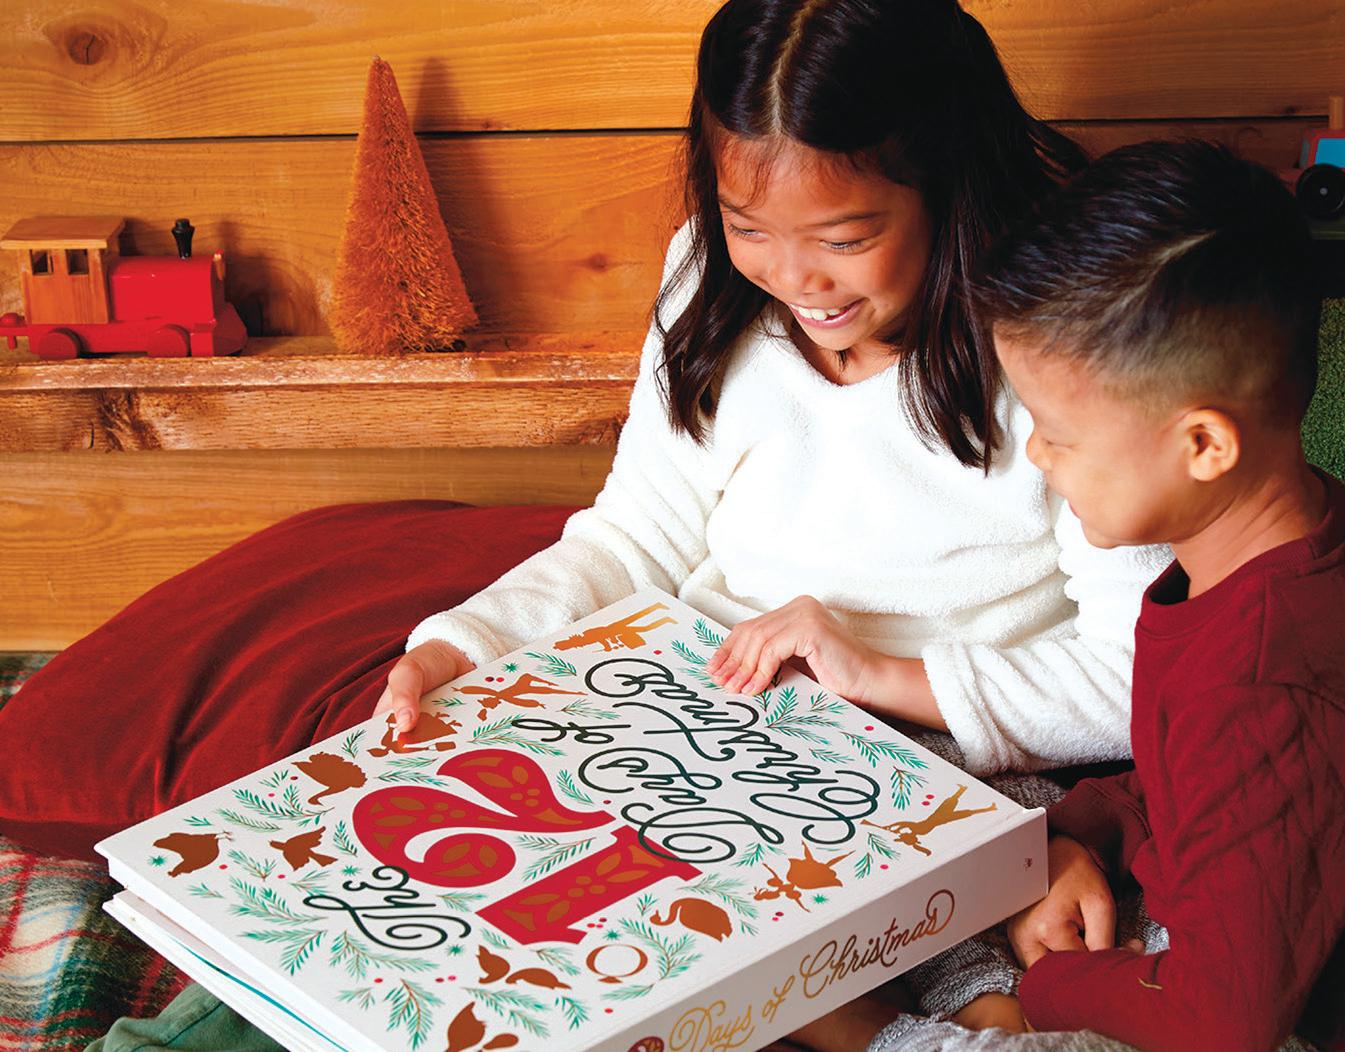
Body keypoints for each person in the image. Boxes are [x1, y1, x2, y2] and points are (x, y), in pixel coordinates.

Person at [377, 0, 1167, 1036]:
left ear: (946, 183)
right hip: (713, 726)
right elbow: (637, 537)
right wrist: (461, 646)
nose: (795, 279)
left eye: (847, 238)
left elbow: (1134, 674)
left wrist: (875, 677)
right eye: (748, 227)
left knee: (949, 952)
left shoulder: (1056, 341)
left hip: (948, 752)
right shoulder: (705, 281)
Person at [860, 139, 1344, 1052]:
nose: (1037, 456)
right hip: (1202, 911)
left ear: (1203, 445)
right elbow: (1183, 784)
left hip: (1241, 1004)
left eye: (1058, 432)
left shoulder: (1260, 685)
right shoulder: (1259, 548)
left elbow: (1222, 1022)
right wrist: (1072, 836)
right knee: (936, 825)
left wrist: (1051, 988)